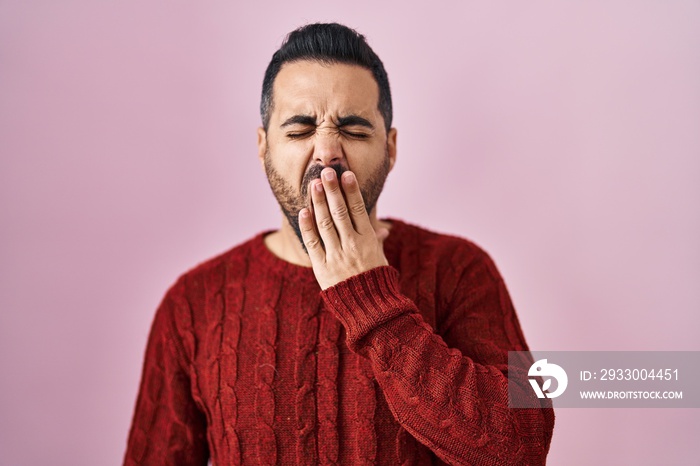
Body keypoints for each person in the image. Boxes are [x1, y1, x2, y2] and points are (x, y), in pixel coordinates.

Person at [123, 22, 555, 465]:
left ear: (390, 148)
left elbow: (524, 446)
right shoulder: (192, 304)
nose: (327, 151)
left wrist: (370, 297)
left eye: (353, 130)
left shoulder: (461, 268)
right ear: (263, 146)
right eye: (299, 130)